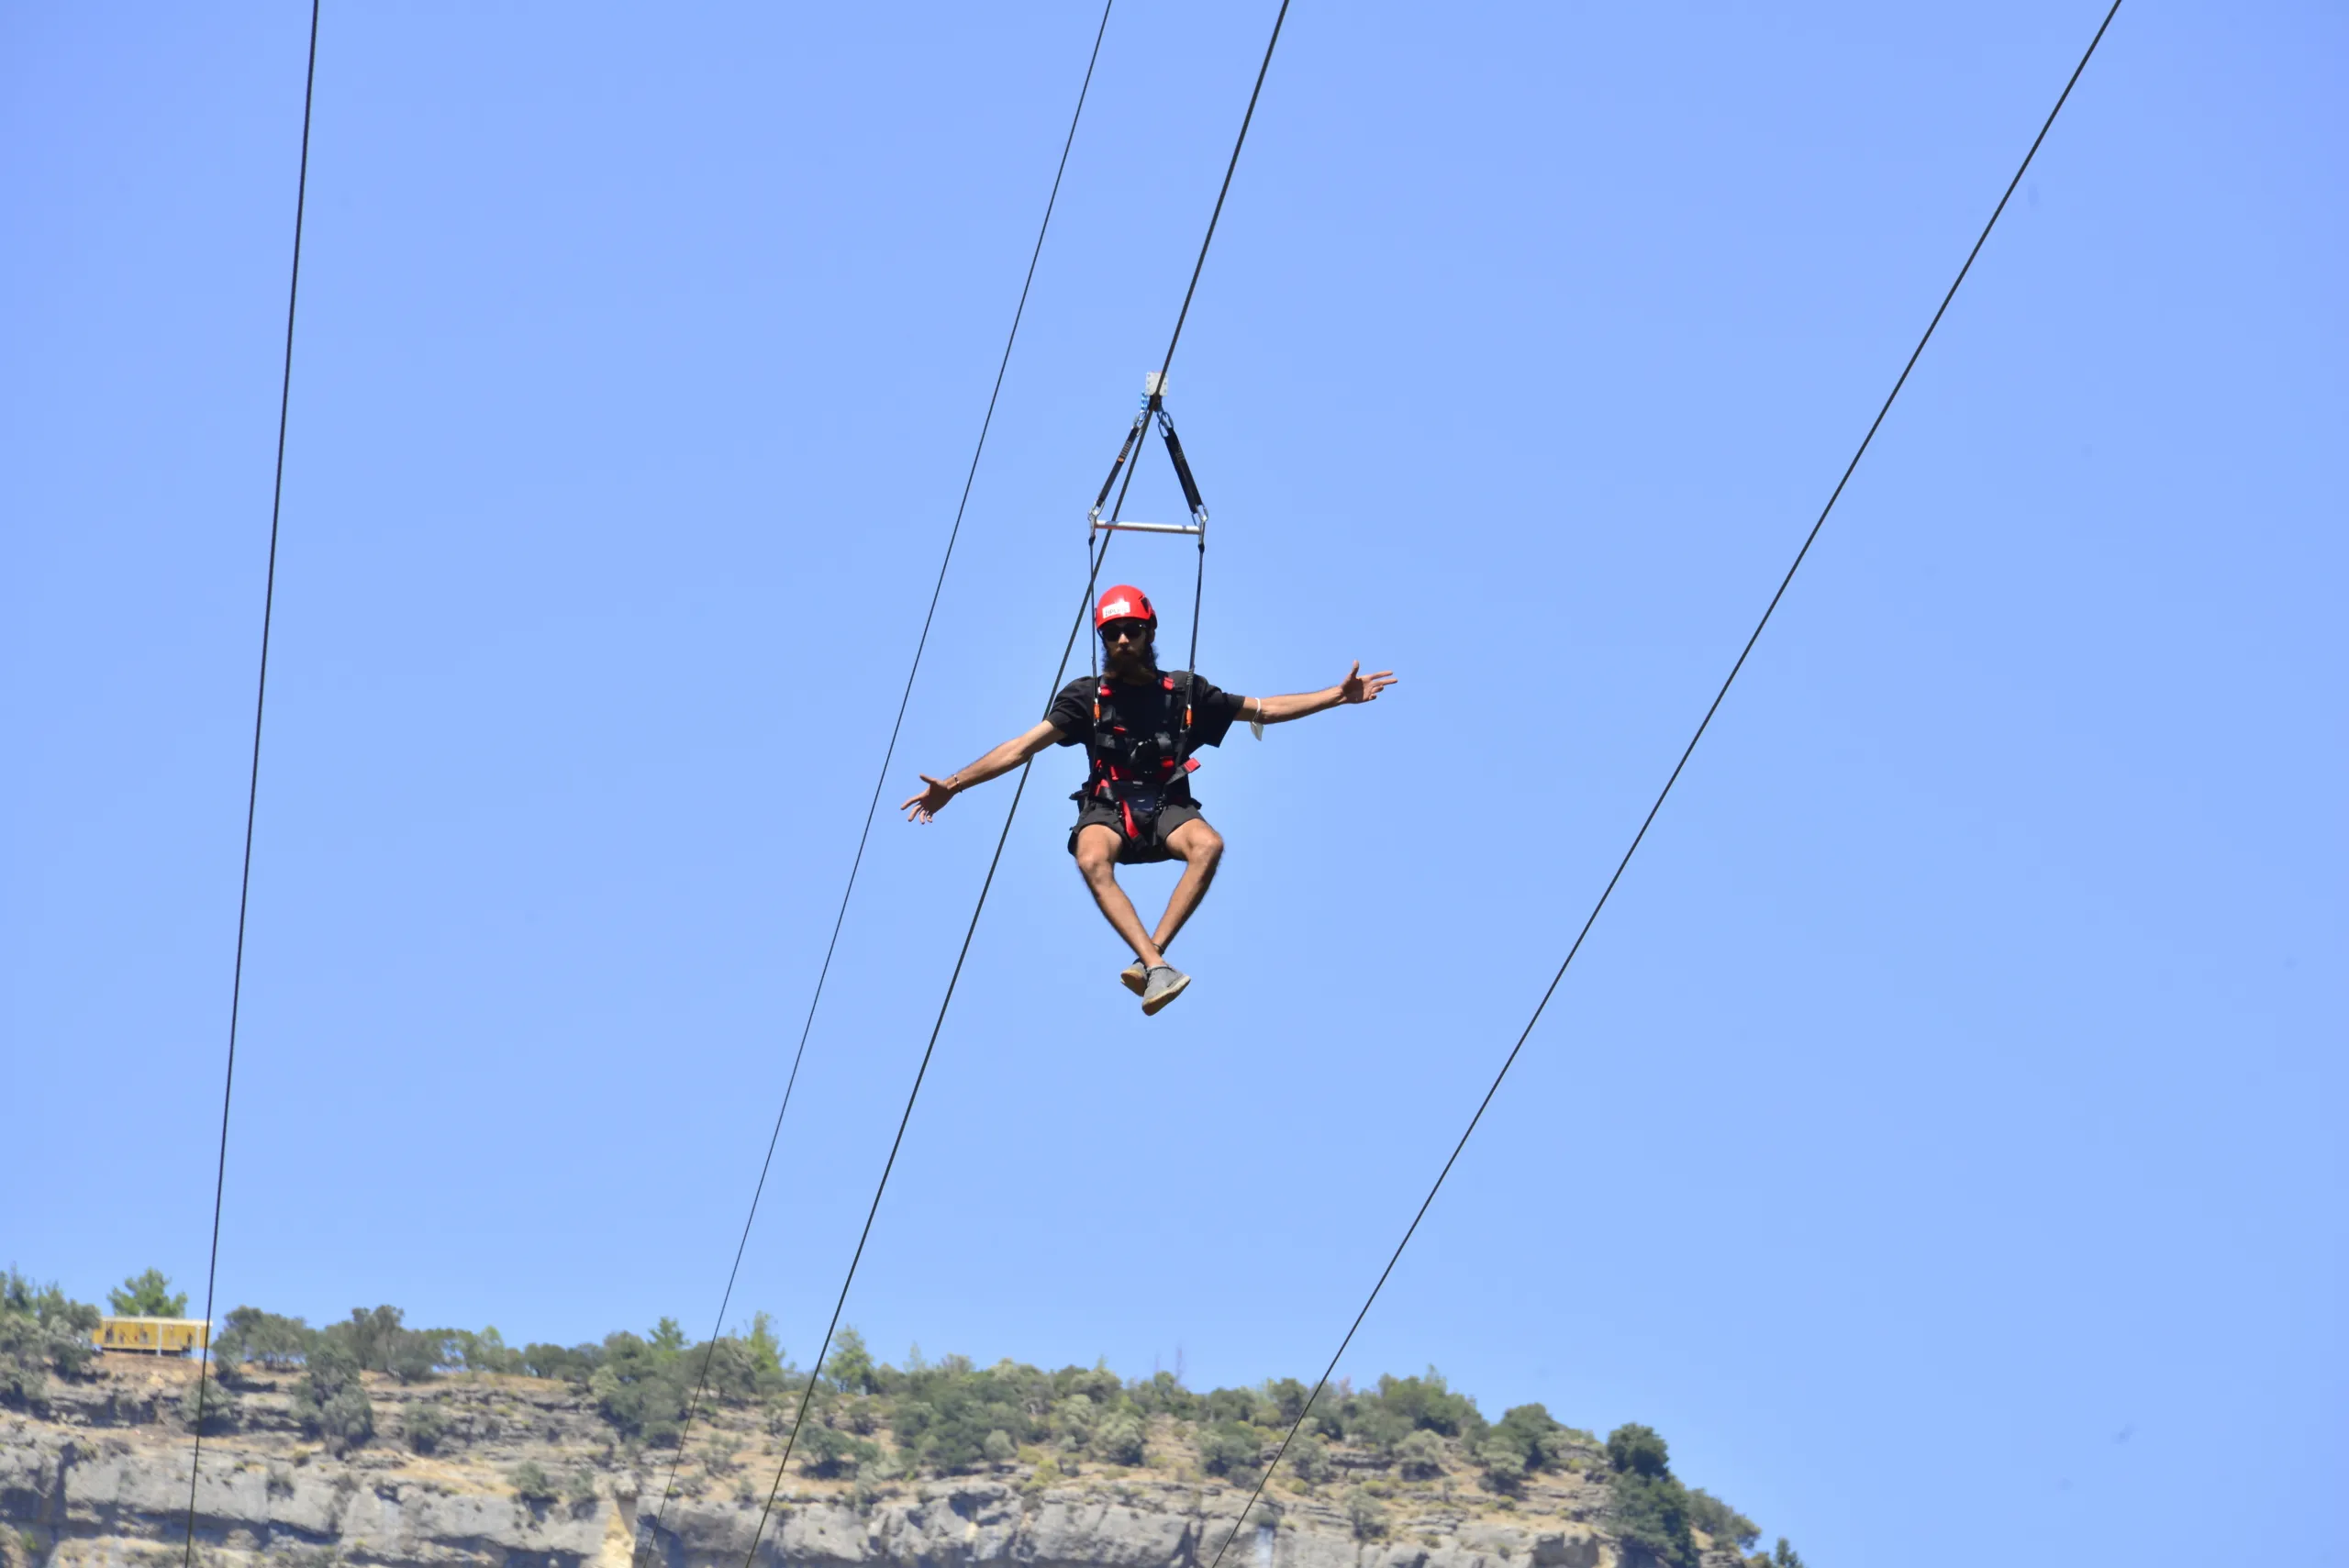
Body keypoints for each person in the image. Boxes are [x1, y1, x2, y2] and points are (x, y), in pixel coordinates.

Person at [902, 584, 1397, 1014]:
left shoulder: (1184, 693)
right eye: (1111, 634)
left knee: (1210, 845)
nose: (1121, 641)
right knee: (1091, 855)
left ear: (1150, 633)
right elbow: (1020, 747)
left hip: (1165, 805)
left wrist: (1336, 695)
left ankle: (1150, 956)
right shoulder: (1085, 697)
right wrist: (955, 783)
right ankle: (1157, 967)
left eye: (1131, 631)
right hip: (1108, 806)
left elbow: (1262, 709)